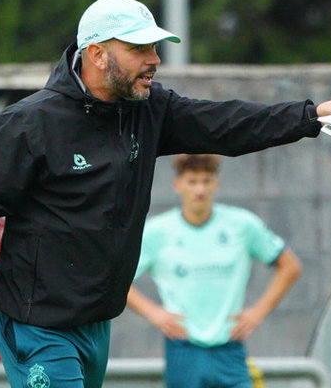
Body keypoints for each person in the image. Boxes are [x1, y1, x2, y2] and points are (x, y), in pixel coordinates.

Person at [0, 0, 331, 388]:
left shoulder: (151, 110)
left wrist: (311, 116)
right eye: (140, 49)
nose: (154, 60)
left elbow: (228, 124)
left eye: (155, 49)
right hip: (36, 323)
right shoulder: (29, 123)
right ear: (98, 53)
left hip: (95, 323)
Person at [127, 154, 301, 388]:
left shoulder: (242, 225)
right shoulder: (157, 232)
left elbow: (290, 267)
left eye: (206, 181)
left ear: (216, 184)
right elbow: (116, 282)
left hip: (230, 348)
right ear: (178, 185)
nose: (199, 189)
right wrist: (154, 313)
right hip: (183, 348)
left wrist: (257, 312)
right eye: (192, 182)